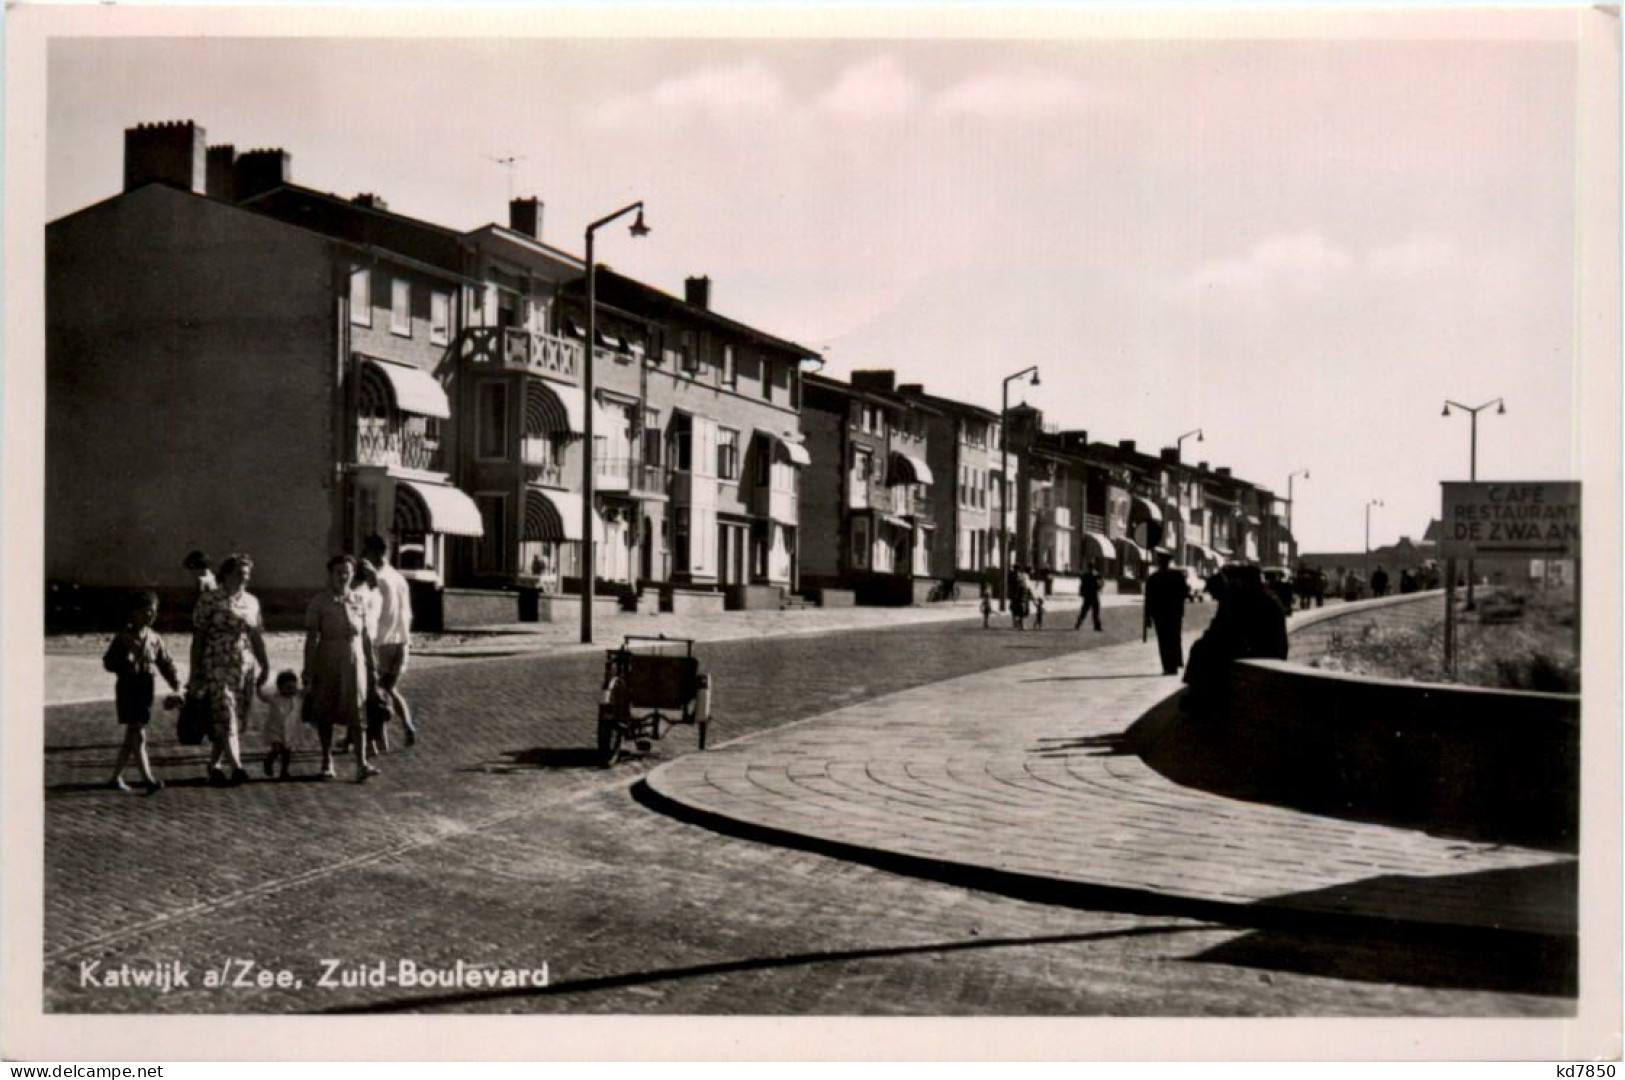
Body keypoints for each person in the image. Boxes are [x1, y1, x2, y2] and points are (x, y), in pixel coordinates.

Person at [190, 554, 269, 786]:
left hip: (243, 665)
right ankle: (237, 766)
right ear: (226, 574)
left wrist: (265, 663)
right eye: (239, 573)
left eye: (247, 574)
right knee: (225, 711)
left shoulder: (252, 601)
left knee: (233, 716)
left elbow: (256, 635)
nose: (244, 578)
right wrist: (195, 670)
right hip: (216, 663)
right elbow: (199, 637)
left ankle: (214, 765)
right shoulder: (209, 599)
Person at [303, 554, 378, 782]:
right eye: (338, 572)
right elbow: (312, 637)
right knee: (325, 709)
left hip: (355, 662)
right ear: (330, 574)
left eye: (347, 572)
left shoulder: (358, 600)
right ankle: (327, 761)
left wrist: (371, 664)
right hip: (328, 659)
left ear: (353, 575)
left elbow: (365, 636)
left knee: (358, 709)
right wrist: (308, 668)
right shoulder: (319, 602)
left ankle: (362, 763)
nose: (343, 577)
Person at [103, 590, 182, 793]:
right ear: (134, 612)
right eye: (146, 611)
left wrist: (177, 686)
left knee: (132, 735)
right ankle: (148, 779)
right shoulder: (123, 637)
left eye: (153, 611)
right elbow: (108, 662)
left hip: (146, 689)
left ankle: (115, 777)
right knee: (137, 733)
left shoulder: (154, 638)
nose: (150, 615)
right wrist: (123, 662)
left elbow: (166, 664)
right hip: (128, 687)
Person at [1183, 565, 1289, 708]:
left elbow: (1224, 629)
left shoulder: (1245, 597)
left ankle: (1200, 697)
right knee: (1206, 648)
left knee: (1203, 650)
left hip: (1260, 651)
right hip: (1270, 649)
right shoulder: (1265, 595)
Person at [363, 534, 417, 747]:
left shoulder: (377, 579)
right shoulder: (399, 577)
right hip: (402, 640)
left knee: (373, 692)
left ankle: (375, 739)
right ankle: (406, 725)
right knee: (389, 689)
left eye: (366, 552)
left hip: (382, 641)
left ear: (375, 553)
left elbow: (373, 611)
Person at [1144, 552, 1188, 676]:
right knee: (1170, 639)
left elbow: (1149, 599)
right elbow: (1149, 598)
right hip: (1170, 613)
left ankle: (1170, 665)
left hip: (1165, 613)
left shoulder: (1155, 577)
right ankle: (1171, 665)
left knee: (1167, 639)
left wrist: (1148, 617)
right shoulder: (1175, 576)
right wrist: (1147, 616)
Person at [256, 670, 303, 780]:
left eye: (293, 688)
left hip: (290, 730)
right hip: (275, 729)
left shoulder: (297, 698)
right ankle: (268, 762)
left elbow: (308, 690)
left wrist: (308, 680)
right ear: (280, 687)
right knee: (277, 749)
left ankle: (284, 772)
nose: (291, 691)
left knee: (287, 753)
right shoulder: (274, 698)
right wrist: (258, 685)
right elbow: (262, 696)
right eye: (287, 688)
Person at [1074, 565, 1103, 632]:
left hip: (1087, 596)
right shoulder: (1096, 575)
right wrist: (1099, 588)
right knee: (1095, 612)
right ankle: (1097, 626)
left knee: (1084, 611)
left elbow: (1082, 584)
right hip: (1094, 596)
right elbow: (1100, 584)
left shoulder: (1085, 576)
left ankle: (1078, 624)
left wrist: (1081, 593)